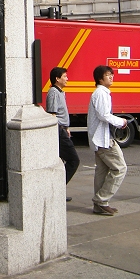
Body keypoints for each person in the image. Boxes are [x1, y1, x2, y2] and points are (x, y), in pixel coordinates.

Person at [87, 65, 128, 216]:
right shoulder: (100, 93)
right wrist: (121, 122)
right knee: (120, 168)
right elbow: (104, 115)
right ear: (100, 78)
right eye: (108, 75)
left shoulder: (101, 93)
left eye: (112, 74)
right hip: (103, 139)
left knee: (102, 172)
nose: (111, 77)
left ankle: (99, 206)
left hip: (99, 138)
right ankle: (101, 200)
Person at [46, 67, 80, 201]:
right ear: (57, 79)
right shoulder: (54, 92)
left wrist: (66, 128)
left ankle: (56, 190)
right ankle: (57, 189)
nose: (67, 79)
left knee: (62, 161)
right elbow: (52, 115)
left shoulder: (60, 92)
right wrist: (61, 129)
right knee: (73, 160)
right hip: (57, 131)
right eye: (65, 76)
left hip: (62, 129)